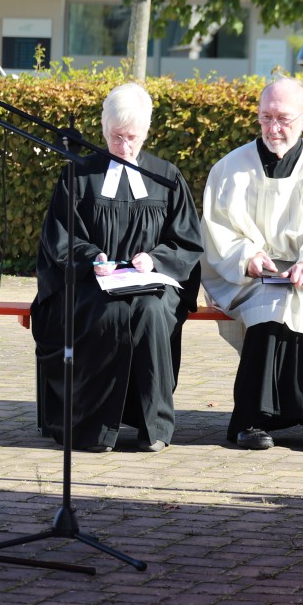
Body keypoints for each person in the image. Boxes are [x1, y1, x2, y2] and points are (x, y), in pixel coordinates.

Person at [29, 83, 204, 453]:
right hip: (93, 282)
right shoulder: (77, 175)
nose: (125, 147)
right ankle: (94, 428)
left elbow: (187, 242)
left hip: (153, 284)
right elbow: (60, 238)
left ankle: (153, 426)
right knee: (107, 311)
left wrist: (154, 259)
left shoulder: (166, 177)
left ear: (147, 131)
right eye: (116, 137)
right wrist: (94, 258)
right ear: (103, 129)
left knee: (150, 311)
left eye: (133, 138)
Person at [200, 76, 303, 452]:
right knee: (269, 310)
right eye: (265, 118)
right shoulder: (231, 168)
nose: (273, 128)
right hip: (255, 275)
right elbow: (218, 227)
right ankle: (252, 421)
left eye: (283, 119)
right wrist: (247, 257)